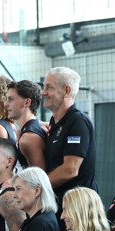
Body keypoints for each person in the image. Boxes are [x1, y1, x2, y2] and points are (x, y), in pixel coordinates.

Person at [42, 65, 97, 203]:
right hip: (59, 204)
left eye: (49, 87)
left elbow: (70, 169)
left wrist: (36, 187)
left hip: (78, 210)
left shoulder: (78, 122)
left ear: (67, 91)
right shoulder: (56, 122)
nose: (43, 92)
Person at [11, 165, 63, 231]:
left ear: (37, 190)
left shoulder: (40, 224)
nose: (14, 195)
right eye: (14, 189)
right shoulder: (36, 220)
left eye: (18, 189)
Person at [5, 79, 47, 170]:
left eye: (11, 99)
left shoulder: (29, 138)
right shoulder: (27, 130)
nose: (6, 104)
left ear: (27, 102)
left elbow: (39, 180)